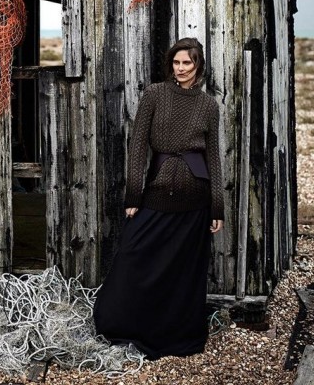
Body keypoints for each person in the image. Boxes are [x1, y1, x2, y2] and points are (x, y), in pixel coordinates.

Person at [94, 37, 224, 359]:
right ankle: (122, 325)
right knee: (134, 253)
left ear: (198, 66)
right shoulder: (154, 94)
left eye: (187, 63)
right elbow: (138, 147)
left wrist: (217, 207)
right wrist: (133, 195)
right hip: (157, 194)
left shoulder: (208, 106)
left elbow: (214, 158)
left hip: (196, 200)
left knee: (183, 271)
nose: (181, 69)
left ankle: (175, 336)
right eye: (176, 63)